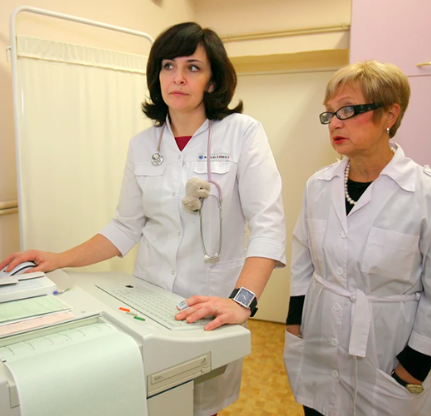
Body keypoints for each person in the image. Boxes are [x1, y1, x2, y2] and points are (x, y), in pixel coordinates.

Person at [0, 22, 286, 416]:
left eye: (193, 67)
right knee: (154, 398)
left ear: (212, 80)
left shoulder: (242, 133)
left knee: (202, 405)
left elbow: (268, 224)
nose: (178, 77)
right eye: (168, 66)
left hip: (210, 300)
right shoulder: (142, 145)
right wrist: (58, 258)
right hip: (149, 297)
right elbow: (125, 226)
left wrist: (243, 301)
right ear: (157, 76)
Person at [283, 60, 431, 416]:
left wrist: (410, 371)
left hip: (386, 361)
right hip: (319, 351)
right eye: (330, 113)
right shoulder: (318, 185)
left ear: (390, 114)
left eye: (347, 110)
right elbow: (303, 260)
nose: (335, 122)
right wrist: (295, 325)